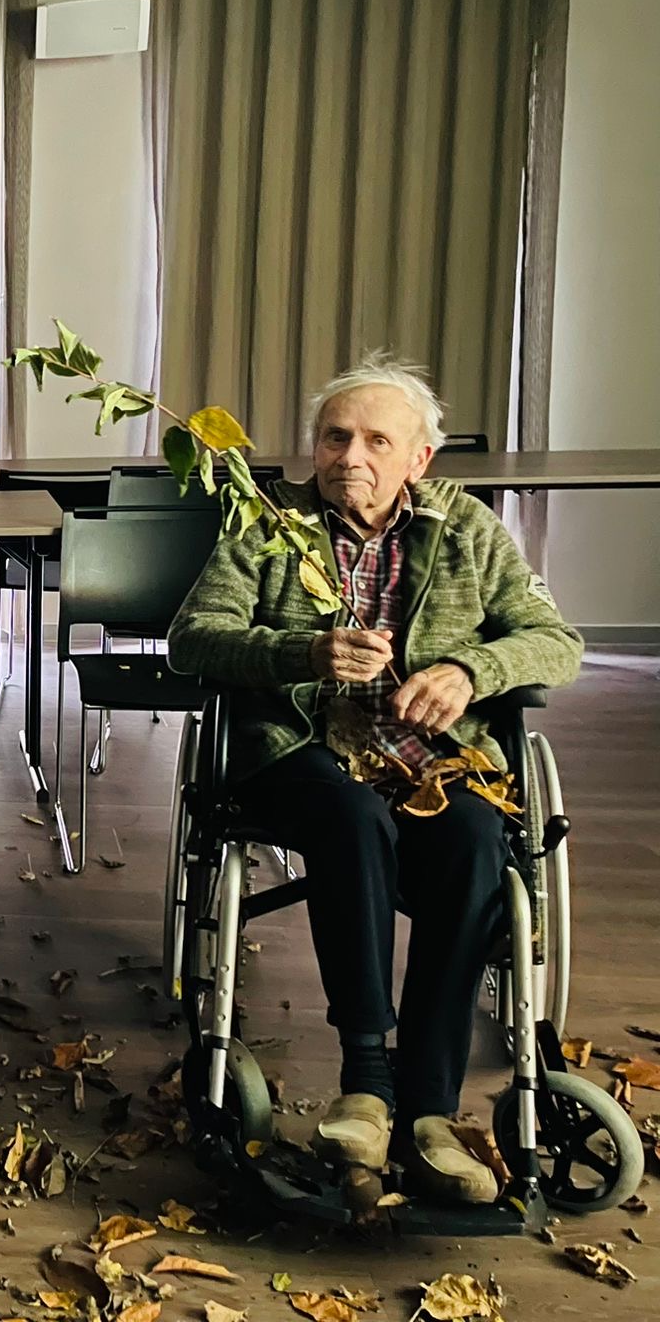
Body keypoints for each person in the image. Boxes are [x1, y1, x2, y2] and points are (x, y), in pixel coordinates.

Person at [168, 355, 581, 1204]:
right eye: (334, 437)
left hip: (430, 755)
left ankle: (431, 1109)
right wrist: (302, 653)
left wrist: (471, 670)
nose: (349, 456)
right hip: (302, 748)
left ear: (419, 458)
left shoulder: (467, 530)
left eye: (375, 441)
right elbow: (194, 638)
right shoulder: (269, 526)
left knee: (476, 838)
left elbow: (555, 640)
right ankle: (367, 1080)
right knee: (350, 816)